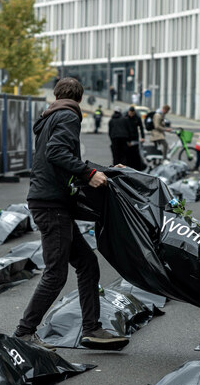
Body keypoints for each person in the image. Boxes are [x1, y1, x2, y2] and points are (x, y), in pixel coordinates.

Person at [15, 77, 128, 350]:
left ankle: (91, 329)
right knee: (56, 273)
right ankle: (24, 333)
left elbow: (64, 158)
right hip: (51, 205)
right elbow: (57, 153)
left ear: (57, 94)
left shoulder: (51, 117)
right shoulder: (68, 116)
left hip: (52, 203)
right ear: (80, 97)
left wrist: (108, 170)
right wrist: (89, 173)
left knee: (87, 264)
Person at [125, 106, 146, 170]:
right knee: (128, 153)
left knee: (135, 153)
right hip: (128, 137)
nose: (131, 115)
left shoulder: (137, 118)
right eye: (130, 113)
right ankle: (128, 166)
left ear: (134, 113)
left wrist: (143, 137)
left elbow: (141, 128)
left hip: (135, 137)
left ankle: (136, 167)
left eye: (132, 113)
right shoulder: (125, 118)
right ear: (128, 112)